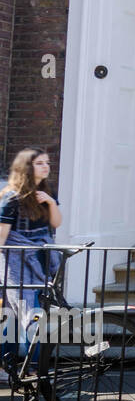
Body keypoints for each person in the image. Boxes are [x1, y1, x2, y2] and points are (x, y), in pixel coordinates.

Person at [0, 149, 62, 366]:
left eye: (47, 162)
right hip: (16, 264)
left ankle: (16, 368)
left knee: (17, 316)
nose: (46, 166)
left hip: (40, 261)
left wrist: (51, 202)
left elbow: (55, 223)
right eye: (39, 163)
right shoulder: (11, 198)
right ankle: (33, 369)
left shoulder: (46, 191)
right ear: (26, 167)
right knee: (28, 315)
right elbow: (2, 238)